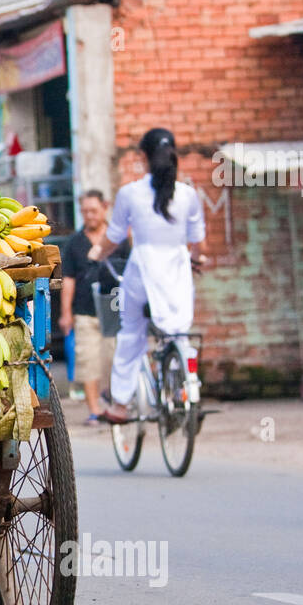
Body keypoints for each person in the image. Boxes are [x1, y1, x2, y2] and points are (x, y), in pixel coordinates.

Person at [90, 129, 207, 425]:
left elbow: (114, 237)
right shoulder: (188, 195)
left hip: (142, 272)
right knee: (179, 332)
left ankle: (120, 404)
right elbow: (198, 243)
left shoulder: (130, 193)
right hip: (178, 274)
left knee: (131, 334)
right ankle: (184, 384)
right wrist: (197, 259)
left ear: (143, 156)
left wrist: (96, 254)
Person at [60, 190, 130, 423]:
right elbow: (68, 279)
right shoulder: (74, 243)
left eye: (93, 210)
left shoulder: (117, 239)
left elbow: (130, 273)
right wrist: (66, 313)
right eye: (85, 211)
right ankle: (94, 410)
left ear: (105, 208)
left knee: (113, 357)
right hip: (84, 309)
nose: (89, 216)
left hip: (114, 308)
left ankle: (112, 400)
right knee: (88, 358)